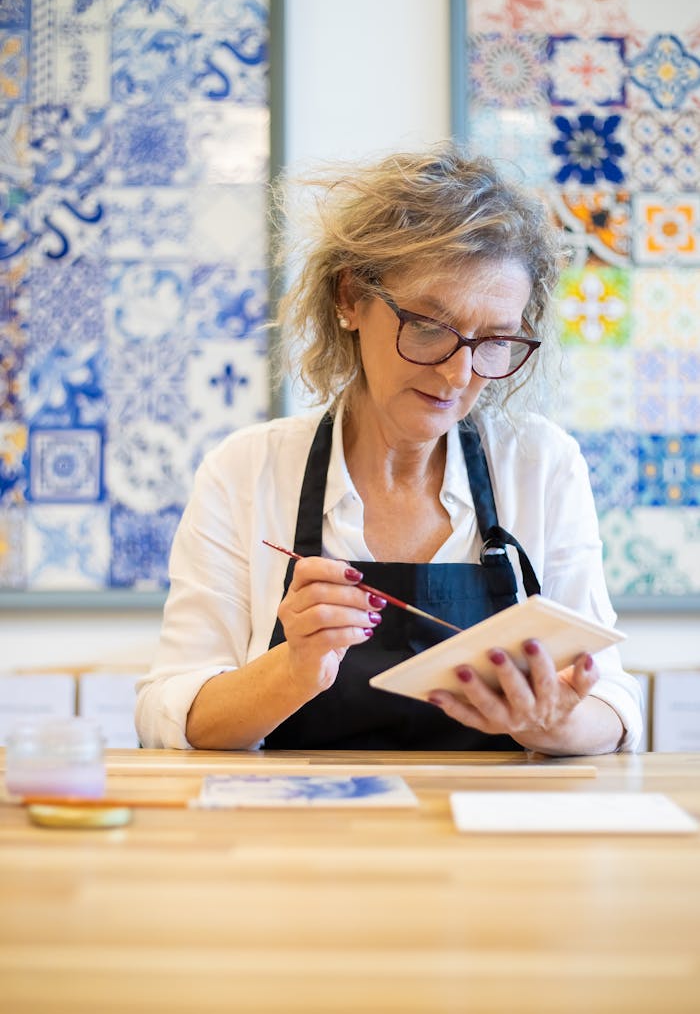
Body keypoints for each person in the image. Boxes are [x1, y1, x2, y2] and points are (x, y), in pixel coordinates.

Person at [135, 145, 643, 755]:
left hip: (494, 841)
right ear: (350, 298)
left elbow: (612, 703)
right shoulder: (247, 471)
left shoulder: (540, 466)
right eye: (429, 325)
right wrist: (292, 672)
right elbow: (170, 716)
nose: (460, 374)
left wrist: (551, 723)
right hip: (297, 839)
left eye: (494, 341)